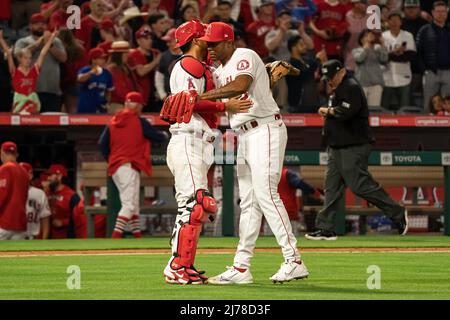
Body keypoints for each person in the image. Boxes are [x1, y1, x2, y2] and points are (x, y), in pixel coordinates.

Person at [198, 22, 309, 284]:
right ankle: (241, 267)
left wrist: (201, 97)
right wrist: (267, 77)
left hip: (265, 129)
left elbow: (241, 85)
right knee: (248, 202)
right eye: (208, 44)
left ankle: (294, 260)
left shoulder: (243, 55)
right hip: (245, 135)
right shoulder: (221, 68)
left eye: (214, 44)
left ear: (229, 42)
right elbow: (248, 85)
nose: (210, 49)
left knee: (266, 193)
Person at [161, 20, 252, 285]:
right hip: (188, 138)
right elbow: (191, 102)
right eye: (205, 37)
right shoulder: (189, 64)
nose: (210, 42)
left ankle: (181, 265)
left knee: (194, 206)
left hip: (197, 140)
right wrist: (226, 106)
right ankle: (177, 266)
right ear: (197, 41)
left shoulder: (201, 67)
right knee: (196, 204)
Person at [305, 59, 408, 241]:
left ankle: (398, 213)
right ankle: (325, 228)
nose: (329, 80)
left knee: (360, 185)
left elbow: (347, 111)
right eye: (326, 77)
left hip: (353, 145)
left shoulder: (350, 86)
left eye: (331, 76)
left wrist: (328, 111)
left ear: (341, 72)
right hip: (337, 145)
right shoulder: (338, 88)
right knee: (331, 187)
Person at [99, 91, 168, 239]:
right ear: (136, 105)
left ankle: (137, 236)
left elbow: (102, 144)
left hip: (117, 167)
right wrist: (166, 135)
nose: (141, 108)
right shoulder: (139, 121)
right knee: (129, 205)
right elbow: (158, 136)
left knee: (133, 203)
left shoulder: (113, 120)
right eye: (140, 105)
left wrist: (112, 159)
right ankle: (115, 237)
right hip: (128, 166)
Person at [14, 13, 67, 112]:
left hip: (52, 90)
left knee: (51, 124)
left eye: (43, 24)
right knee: (29, 124)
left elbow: (63, 58)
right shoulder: (23, 41)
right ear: (30, 26)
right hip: (29, 92)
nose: (40, 26)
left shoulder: (56, 41)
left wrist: (49, 44)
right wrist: (39, 42)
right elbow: (17, 56)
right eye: (36, 24)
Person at [0, 28, 57, 114]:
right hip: (19, 104)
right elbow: (8, 53)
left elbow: (43, 53)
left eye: (30, 58)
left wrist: (52, 38)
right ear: (20, 59)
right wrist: (0, 39)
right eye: (26, 58)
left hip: (32, 103)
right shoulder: (14, 71)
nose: (28, 60)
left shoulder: (34, 70)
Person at [416, 1, 450, 113]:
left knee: (448, 107)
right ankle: (426, 129)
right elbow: (418, 52)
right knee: (428, 105)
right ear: (432, 13)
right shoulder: (424, 30)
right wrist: (424, 70)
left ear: (447, 12)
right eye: (438, 11)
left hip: (448, 73)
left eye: (443, 11)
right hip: (430, 73)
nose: (441, 14)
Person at [381, 11, 416, 111]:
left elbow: (410, 55)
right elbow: (381, 57)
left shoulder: (407, 36)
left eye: (397, 20)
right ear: (387, 22)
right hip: (386, 76)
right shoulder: (383, 36)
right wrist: (397, 52)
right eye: (392, 20)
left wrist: (390, 55)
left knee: (404, 108)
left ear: (401, 22)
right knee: (384, 107)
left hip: (404, 76)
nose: (394, 22)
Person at [286, 34, 326, 113]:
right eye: (301, 44)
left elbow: (315, 73)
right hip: (299, 106)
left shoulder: (308, 61)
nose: (305, 46)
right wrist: (317, 60)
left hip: (314, 103)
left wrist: (322, 63)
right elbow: (304, 75)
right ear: (293, 48)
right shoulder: (290, 65)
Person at [128, 26, 161, 112]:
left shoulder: (155, 52)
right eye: (146, 38)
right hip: (142, 93)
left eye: (150, 38)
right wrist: (156, 61)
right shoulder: (134, 54)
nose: (149, 41)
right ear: (138, 41)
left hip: (155, 92)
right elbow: (141, 72)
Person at [352, 29, 388, 108]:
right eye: (367, 36)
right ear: (361, 39)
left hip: (376, 85)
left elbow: (384, 59)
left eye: (371, 36)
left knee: (374, 110)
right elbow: (359, 59)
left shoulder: (377, 50)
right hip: (362, 85)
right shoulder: (356, 50)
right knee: (361, 109)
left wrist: (382, 45)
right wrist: (367, 46)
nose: (370, 37)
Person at [0, 142, 29, 240]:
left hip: (4, 223)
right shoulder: (24, 171)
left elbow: (2, 195)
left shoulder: (4, 168)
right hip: (20, 223)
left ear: (2, 152)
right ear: (16, 154)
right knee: (15, 253)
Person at [46, 164, 81, 239]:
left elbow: (80, 219)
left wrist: (63, 222)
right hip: (48, 237)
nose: (48, 178)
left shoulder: (71, 196)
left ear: (59, 176)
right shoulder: (46, 193)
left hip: (66, 238)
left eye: (50, 175)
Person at [58, 28, 88, 114]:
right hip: (74, 82)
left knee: (57, 111)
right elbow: (83, 66)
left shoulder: (60, 49)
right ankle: (74, 126)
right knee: (73, 110)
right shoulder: (79, 50)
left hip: (60, 82)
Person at [19, 162, 51, 240]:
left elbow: (45, 220)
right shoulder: (7, 192)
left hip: (32, 238)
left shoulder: (39, 193)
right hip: (11, 238)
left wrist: (44, 241)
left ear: (30, 175)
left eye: (22, 173)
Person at [77, 47, 114, 113]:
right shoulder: (85, 70)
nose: (104, 60)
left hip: (100, 108)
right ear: (93, 60)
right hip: (85, 108)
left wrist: (107, 103)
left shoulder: (107, 73)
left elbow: (108, 91)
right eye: (101, 58)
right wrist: (91, 72)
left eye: (104, 58)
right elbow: (80, 79)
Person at [107, 41, 140, 113]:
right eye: (125, 53)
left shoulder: (125, 67)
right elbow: (119, 91)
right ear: (118, 55)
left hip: (128, 103)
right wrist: (131, 99)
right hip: (118, 105)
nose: (128, 55)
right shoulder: (112, 70)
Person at [154, 28, 182, 101]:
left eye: (170, 41)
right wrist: (162, 95)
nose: (168, 44)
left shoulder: (187, 55)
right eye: (167, 42)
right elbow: (159, 76)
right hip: (168, 97)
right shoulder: (164, 56)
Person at [343, 0, 368, 72]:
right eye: (363, 3)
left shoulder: (369, 17)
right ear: (355, 4)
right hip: (348, 56)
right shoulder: (347, 16)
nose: (365, 5)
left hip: (365, 57)